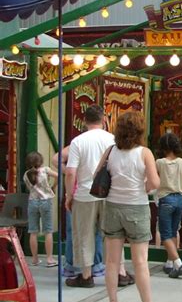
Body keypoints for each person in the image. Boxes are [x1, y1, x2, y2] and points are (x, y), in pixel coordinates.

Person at [65, 105, 132, 288]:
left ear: (85, 121)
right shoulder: (112, 140)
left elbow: (70, 172)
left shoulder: (78, 141)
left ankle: (86, 276)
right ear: (104, 120)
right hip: (110, 196)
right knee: (112, 236)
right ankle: (120, 273)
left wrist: (68, 195)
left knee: (84, 235)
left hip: (84, 195)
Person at [99, 111, 159, 302]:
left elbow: (96, 176)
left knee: (112, 261)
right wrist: (145, 186)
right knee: (140, 262)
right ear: (140, 130)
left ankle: (113, 301)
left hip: (113, 207)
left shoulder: (110, 151)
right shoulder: (144, 153)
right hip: (137, 207)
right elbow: (155, 183)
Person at [52, 146, 105, 278]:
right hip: (100, 191)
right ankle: (96, 265)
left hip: (79, 192)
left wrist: (71, 172)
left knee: (75, 231)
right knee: (97, 232)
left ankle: (72, 266)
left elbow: (56, 159)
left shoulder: (78, 144)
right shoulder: (108, 141)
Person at [155, 133, 182, 278]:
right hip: (180, 199)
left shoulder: (159, 162)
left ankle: (178, 263)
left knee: (165, 234)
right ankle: (170, 262)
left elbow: (153, 178)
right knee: (173, 231)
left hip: (165, 199)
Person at [23, 151, 58, 267]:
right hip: (45, 201)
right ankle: (49, 259)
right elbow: (58, 176)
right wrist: (53, 186)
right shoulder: (45, 170)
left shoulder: (26, 175)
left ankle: (34, 259)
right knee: (48, 230)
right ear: (40, 161)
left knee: (33, 231)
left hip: (32, 202)